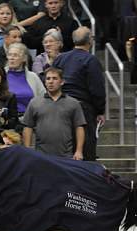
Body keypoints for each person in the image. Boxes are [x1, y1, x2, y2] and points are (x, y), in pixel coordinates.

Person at [53, 26, 105, 161]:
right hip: (82, 109)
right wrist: (100, 110)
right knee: (85, 151)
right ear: (90, 41)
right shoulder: (91, 60)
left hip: (59, 106)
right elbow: (97, 89)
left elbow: (50, 79)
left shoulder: (60, 58)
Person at [22, 66, 86, 160]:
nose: (51, 81)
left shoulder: (73, 103)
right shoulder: (34, 102)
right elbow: (28, 127)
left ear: (62, 82)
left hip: (66, 155)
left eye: (55, 78)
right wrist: (27, 150)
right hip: (41, 155)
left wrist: (79, 151)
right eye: (48, 78)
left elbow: (79, 127)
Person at [5, 43, 45, 116]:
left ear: (24, 58)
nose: (11, 58)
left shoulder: (33, 77)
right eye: (10, 55)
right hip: (7, 119)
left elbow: (43, 98)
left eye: (15, 55)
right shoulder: (1, 75)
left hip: (30, 119)